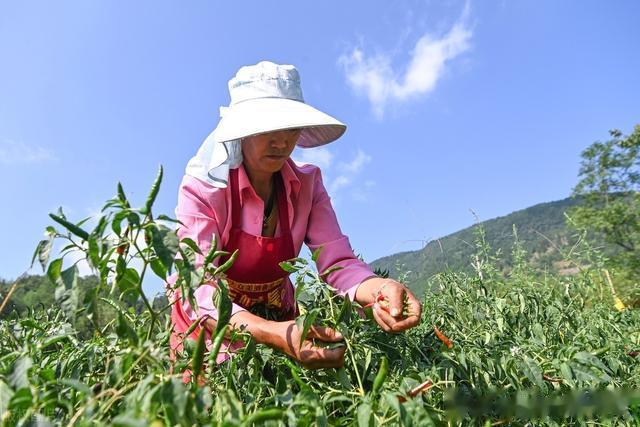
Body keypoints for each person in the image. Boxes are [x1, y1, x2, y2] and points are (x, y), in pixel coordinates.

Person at [166, 61, 421, 382]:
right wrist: (274, 333)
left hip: (280, 318)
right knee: (209, 405)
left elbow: (337, 263)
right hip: (207, 327)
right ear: (241, 130)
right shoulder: (205, 189)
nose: (282, 141)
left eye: (290, 127)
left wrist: (381, 288)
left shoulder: (307, 185)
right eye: (267, 128)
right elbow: (199, 285)